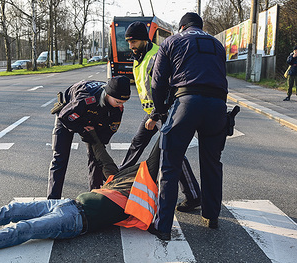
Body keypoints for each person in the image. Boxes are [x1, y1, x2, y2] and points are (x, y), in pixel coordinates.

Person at [0, 130, 163, 256]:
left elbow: (155, 157)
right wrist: (90, 134)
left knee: (23, 229)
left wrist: (169, 124)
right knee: (13, 210)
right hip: (66, 205)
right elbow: (104, 158)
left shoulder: (141, 192)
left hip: (73, 221)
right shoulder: (117, 179)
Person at [150, 13, 228, 238]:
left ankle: (163, 226)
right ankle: (212, 216)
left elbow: (158, 83)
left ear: (181, 26)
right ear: (201, 27)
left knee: (170, 166)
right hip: (217, 106)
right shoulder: (217, 44)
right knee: (212, 163)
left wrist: (161, 110)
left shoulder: (172, 41)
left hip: (186, 102)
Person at [120, 21, 201, 212]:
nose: (130, 46)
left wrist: (156, 115)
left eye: (134, 41)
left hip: (164, 112)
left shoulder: (156, 55)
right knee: (137, 144)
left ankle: (193, 195)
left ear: (143, 39)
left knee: (173, 153)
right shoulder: (138, 57)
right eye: (128, 42)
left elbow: (166, 87)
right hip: (152, 112)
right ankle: (119, 180)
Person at [47, 76, 131, 199]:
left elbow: (109, 131)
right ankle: (52, 199)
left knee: (96, 159)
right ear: (107, 94)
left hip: (94, 120)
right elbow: (65, 117)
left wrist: (97, 142)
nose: (120, 105)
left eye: (123, 103)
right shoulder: (87, 98)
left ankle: (94, 196)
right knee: (60, 157)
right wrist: (82, 130)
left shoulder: (118, 107)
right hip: (69, 114)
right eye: (118, 102)